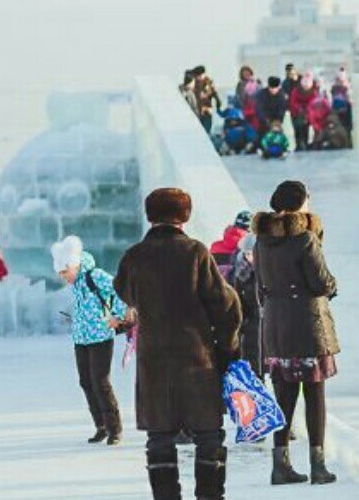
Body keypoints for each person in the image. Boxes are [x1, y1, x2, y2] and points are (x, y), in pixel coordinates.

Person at [114, 188, 243, 500]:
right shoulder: (196, 252)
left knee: (159, 438)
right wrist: (227, 348)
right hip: (197, 358)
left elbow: (123, 292)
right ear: (185, 216)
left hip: (154, 361)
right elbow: (225, 305)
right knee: (209, 436)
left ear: (149, 216)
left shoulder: (134, 257)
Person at [253, 180, 339, 485]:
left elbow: (259, 287)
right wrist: (332, 286)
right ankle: (318, 465)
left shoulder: (261, 241)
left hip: (276, 327)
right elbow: (321, 282)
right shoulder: (305, 239)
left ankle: (281, 464)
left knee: (283, 395)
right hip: (307, 325)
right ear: (300, 203)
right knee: (314, 394)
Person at [53, 235, 129, 445]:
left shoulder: (94, 276)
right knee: (86, 382)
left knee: (100, 381)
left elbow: (119, 292)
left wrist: (118, 316)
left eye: (64, 272)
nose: (63, 277)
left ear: (74, 266)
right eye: (60, 273)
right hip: (81, 338)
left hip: (101, 335)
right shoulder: (76, 283)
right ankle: (101, 425)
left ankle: (115, 429)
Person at [230, 233, 262, 377]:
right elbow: (238, 300)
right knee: (252, 360)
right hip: (251, 325)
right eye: (247, 253)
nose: (250, 257)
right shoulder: (241, 272)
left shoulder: (267, 270)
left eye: (253, 253)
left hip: (267, 323)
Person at [288, 73, 318, 151]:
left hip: (308, 113)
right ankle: (299, 144)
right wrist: (299, 109)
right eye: (304, 86)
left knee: (305, 129)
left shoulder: (314, 92)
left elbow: (313, 103)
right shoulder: (295, 91)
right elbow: (292, 102)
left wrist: (306, 110)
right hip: (296, 113)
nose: (305, 88)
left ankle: (305, 143)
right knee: (297, 129)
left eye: (307, 87)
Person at [192, 65, 222, 134]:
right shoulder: (194, 83)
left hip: (207, 111)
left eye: (199, 75)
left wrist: (218, 103)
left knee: (206, 130)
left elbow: (214, 93)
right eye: (196, 76)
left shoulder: (208, 82)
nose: (198, 77)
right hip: (197, 111)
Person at [330, 69, 353, 146]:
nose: (341, 82)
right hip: (338, 110)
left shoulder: (348, 87)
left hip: (346, 110)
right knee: (339, 128)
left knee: (347, 128)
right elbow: (333, 100)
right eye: (339, 80)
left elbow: (350, 99)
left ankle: (348, 143)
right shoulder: (334, 88)